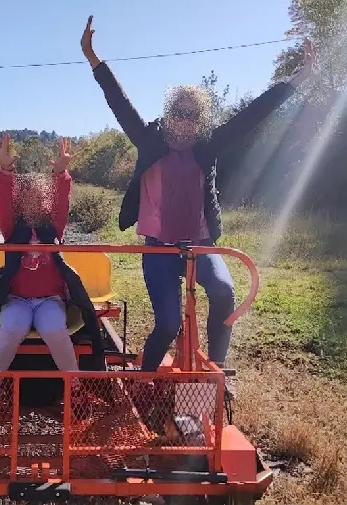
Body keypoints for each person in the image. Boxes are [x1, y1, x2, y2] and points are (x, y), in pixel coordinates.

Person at [81, 16, 315, 390]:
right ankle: (143, 381)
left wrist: (297, 78)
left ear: (201, 119)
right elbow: (119, 103)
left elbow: (252, 115)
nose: (186, 121)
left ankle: (217, 371)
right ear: (169, 112)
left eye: (193, 115)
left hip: (199, 244)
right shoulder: (149, 139)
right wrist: (93, 58)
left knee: (224, 292)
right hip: (158, 250)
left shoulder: (208, 146)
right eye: (179, 112)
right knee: (168, 323)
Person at [0, 135, 96, 426]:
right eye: (27, 194)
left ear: (46, 199)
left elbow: (63, 201)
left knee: (55, 330)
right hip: (16, 298)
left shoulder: (52, 227)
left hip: (49, 300)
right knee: (11, 329)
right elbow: (4, 202)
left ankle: (76, 389)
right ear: (22, 200)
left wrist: (60, 174)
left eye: (39, 195)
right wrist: (6, 171)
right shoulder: (12, 228)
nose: (34, 198)